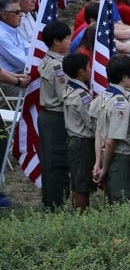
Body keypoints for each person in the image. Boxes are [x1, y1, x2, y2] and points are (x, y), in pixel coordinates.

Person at [93, 54, 130, 203]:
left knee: (114, 199)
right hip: (121, 159)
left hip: (107, 156)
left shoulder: (104, 97)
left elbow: (98, 132)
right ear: (124, 77)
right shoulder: (121, 103)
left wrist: (98, 162)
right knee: (123, 201)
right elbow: (111, 141)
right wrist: (105, 168)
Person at [36, 21, 72, 209]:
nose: (69, 41)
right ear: (57, 41)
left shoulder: (50, 60)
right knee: (56, 161)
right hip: (56, 117)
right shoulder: (59, 66)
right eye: (67, 38)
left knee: (52, 160)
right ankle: (55, 203)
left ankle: (53, 201)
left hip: (49, 116)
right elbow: (64, 95)